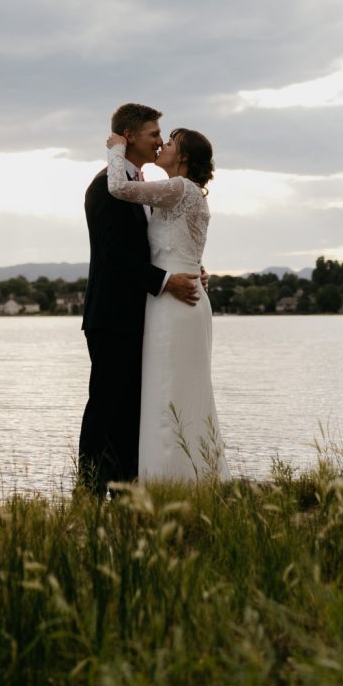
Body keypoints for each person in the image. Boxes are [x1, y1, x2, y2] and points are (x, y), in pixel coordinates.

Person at [78, 104, 201, 495]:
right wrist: (166, 280)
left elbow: (154, 246)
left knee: (131, 407)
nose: (159, 141)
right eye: (153, 134)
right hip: (111, 317)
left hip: (139, 316)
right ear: (129, 137)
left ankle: (125, 488)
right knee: (106, 405)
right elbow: (113, 255)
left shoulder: (141, 187)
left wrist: (189, 267)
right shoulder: (104, 186)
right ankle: (92, 491)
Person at [105, 124, 230, 482]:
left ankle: (172, 479)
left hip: (177, 301)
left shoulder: (179, 188)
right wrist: (200, 272)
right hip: (179, 294)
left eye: (171, 142)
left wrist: (116, 148)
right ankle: (181, 476)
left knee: (173, 389)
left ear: (185, 156)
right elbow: (181, 247)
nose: (163, 145)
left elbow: (118, 187)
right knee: (173, 388)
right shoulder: (186, 194)